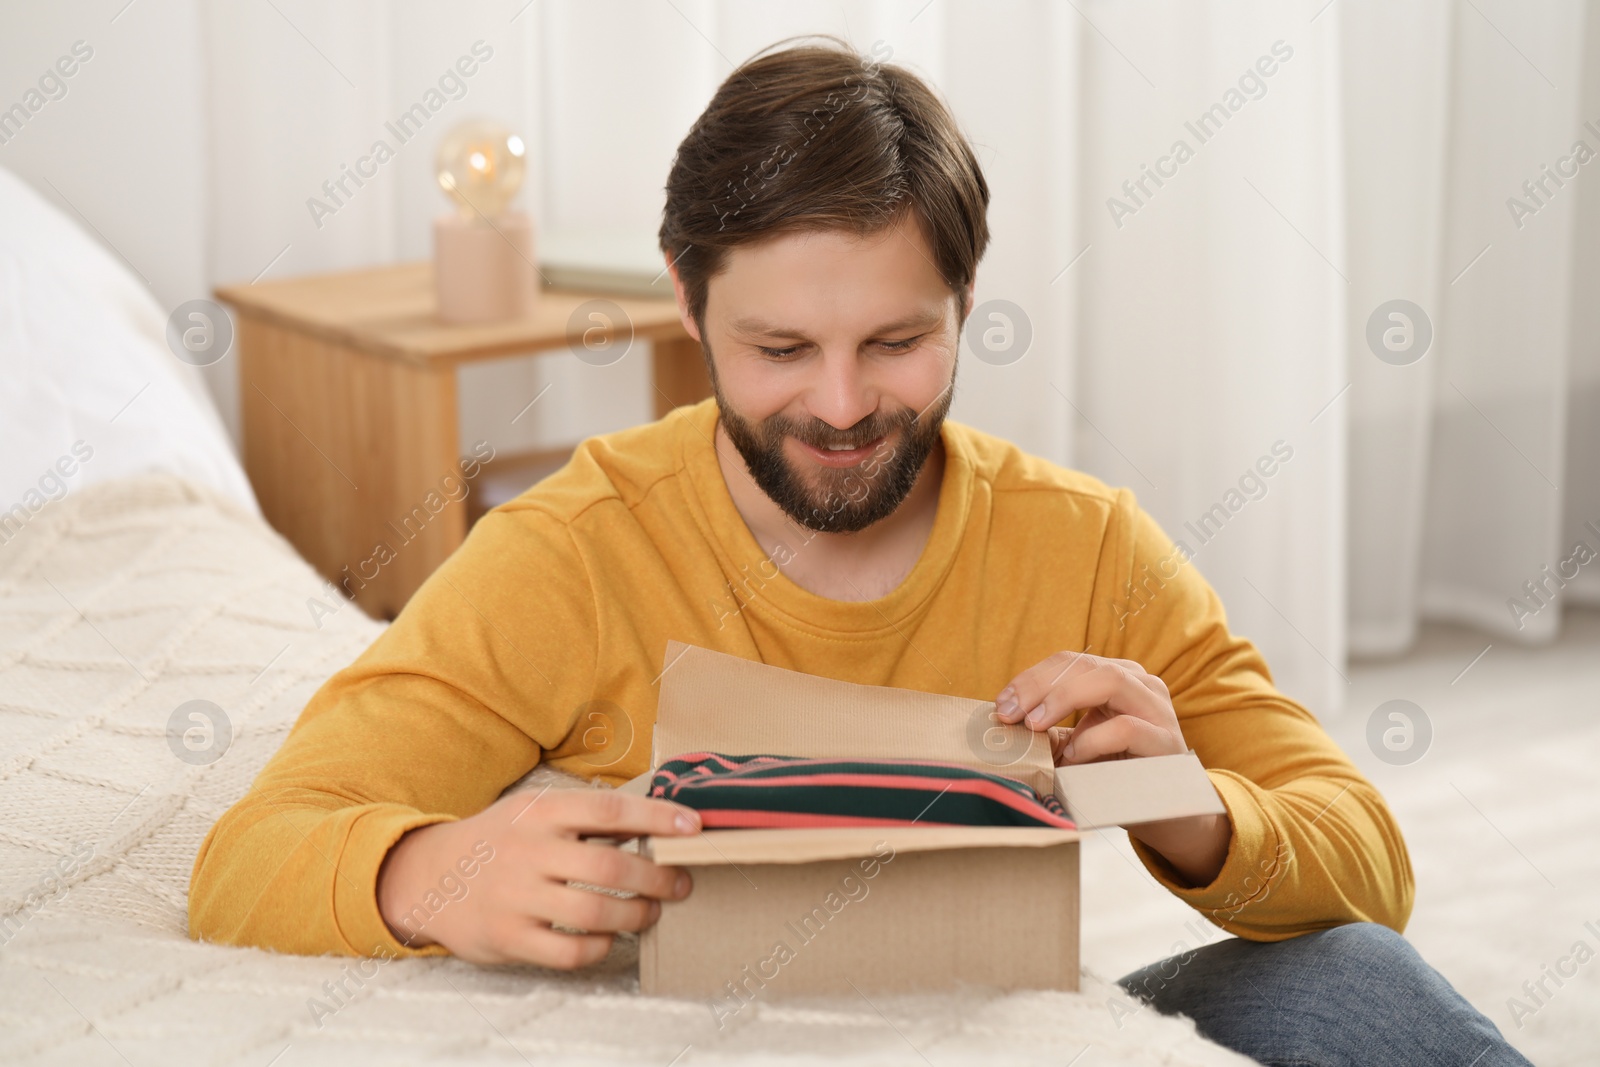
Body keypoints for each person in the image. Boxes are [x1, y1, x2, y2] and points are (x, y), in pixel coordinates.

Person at [189, 36, 1529, 1065]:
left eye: (896, 342)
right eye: (779, 350)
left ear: (966, 303)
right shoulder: (572, 552)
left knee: (1358, 980)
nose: (839, 407)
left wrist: (1189, 805)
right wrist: (438, 873)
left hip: (991, 1039)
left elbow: (1370, 863)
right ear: (683, 299)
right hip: (683, 1044)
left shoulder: (1082, 544)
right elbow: (254, 850)